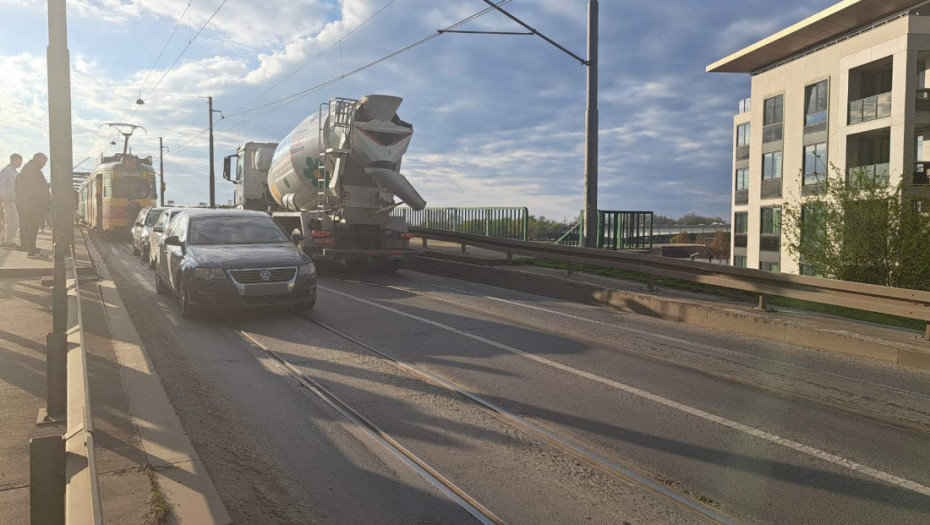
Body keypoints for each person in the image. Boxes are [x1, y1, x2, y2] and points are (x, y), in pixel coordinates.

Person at [15, 153, 50, 259]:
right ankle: (31, 252)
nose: (44, 165)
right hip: (32, 203)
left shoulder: (30, 168)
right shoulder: (32, 169)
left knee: (32, 227)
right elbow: (32, 187)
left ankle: (32, 249)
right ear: (38, 160)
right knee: (32, 227)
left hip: (31, 203)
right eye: (44, 162)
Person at [0, 153, 22, 248]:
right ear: (12, 160)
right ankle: (7, 241)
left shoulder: (15, 172)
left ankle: (9, 240)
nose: (20, 163)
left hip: (13, 200)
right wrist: (4, 198)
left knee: (14, 221)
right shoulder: (6, 171)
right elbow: (1, 184)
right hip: (8, 200)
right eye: (19, 161)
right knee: (10, 220)